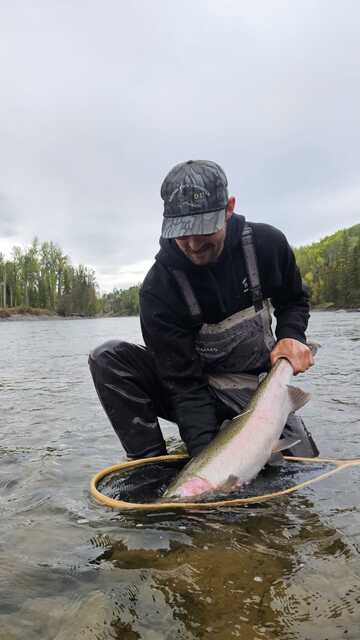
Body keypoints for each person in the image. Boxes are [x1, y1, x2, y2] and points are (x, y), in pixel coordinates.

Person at [89, 160, 318, 460]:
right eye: (183, 232)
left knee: (301, 467)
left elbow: (294, 299)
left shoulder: (267, 245)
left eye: (204, 229)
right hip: (195, 389)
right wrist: (206, 464)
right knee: (108, 359)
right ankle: (150, 468)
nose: (194, 244)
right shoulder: (159, 289)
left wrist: (291, 335)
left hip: (258, 394)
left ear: (229, 208)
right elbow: (185, 388)